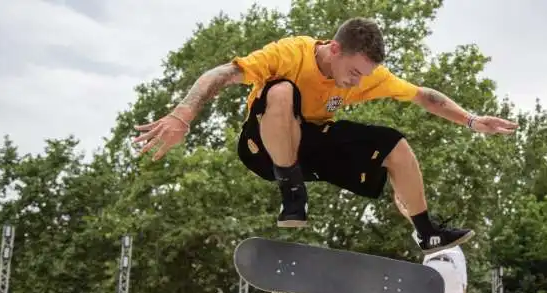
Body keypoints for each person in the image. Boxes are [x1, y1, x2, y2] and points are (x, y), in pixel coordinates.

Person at [132, 17, 517, 254]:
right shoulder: (290, 54)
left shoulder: (365, 77)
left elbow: (424, 97)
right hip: (264, 145)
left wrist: (471, 121)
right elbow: (220, 74)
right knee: (282, 91)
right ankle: (292, 192)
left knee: (395, 144)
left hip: (312, 142)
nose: (357, 81)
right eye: (353, 71)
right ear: (334, 49)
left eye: (365, 75)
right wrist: (183, 114)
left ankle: (427, 232)